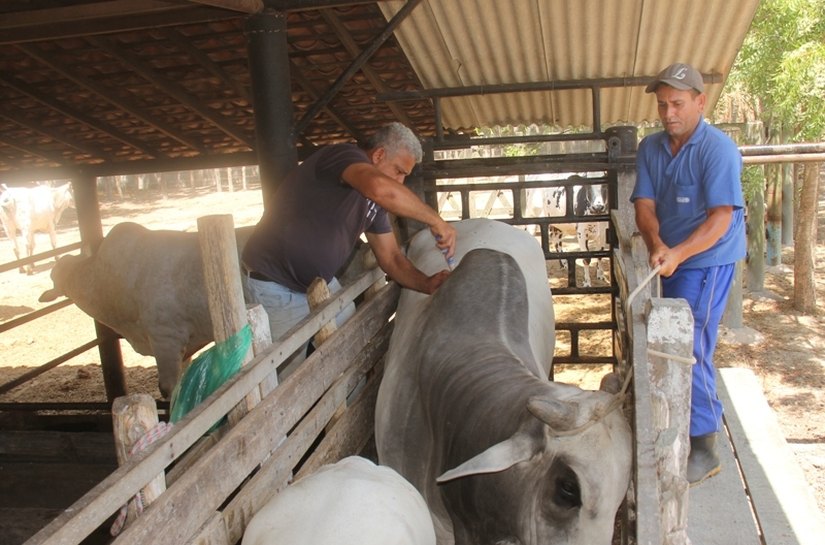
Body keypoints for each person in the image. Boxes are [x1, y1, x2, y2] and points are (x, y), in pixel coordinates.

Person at [242, 122, 456, 355]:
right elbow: (379, 187)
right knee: (290, 372)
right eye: (399, 171)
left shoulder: (373, 202)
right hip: (277, 285)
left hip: (319, 283)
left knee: (352, 345)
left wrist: (427, 284)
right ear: (379, 154)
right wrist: (436, 220)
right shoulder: (343, 155)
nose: (400, 181)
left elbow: (392, 258)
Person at [631, 62, 746, 485]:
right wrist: (656, 244)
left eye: (677, 103)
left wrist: (677, 251)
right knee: (671, 337)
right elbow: (644, 205)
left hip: (708, 257)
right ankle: (677, 422)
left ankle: (704, 445)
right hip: (673, 256)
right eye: (662, 105)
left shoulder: (718, 149)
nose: (668, 113)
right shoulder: (651, 147)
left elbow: (720, 220)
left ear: (701, 102)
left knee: (691, 341)